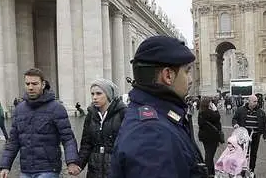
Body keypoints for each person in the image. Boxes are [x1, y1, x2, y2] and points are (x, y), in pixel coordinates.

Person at [110, 35, 207, 177]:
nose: (191, 80)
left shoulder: (156, 117)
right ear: (168, 75)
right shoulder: (153, 136)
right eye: (187, 71)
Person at [0, 68, 80, 178]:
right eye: (27, 84)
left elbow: (68, 138)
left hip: (48, 169)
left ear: (43, 84)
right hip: (25, 170)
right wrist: (5, 166)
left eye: (34, 83)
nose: (30, 87)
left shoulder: (56, 108)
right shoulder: (19, 109)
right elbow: (13, 141)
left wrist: (71, 162)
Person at [78, 79, 127, 178]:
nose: (94, 97)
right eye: (92, 94)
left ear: (108, 94)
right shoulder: (91, 115)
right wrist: (79, 165)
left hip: (116, 170)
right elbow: (86, 144)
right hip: (94, 171)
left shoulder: (123, 113)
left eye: (99, 93)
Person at [231, 95, 266, 176]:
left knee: (253, 154)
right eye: (254, 101)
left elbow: (265, 124)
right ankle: (242, 169)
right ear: (249, 101)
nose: (256, 103)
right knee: (244, 153)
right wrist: (235, 124)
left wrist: (265, 135)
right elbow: (234, 119)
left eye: (256, 101)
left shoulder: (261, 112)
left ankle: (251, 169)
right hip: (244, 137)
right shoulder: (240, 110)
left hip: (255, 136)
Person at [197, 96, 223, 177]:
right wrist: (215, 109)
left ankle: (211, 173)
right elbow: (217, 117)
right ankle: (207, 172)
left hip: (204, 137)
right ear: (208, 103)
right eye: (210, 102)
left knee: (209, 154)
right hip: (212, 137)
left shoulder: (201, 112)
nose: (212, 103)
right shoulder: (209, 112)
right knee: (209, 155)